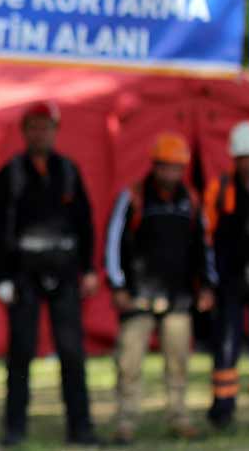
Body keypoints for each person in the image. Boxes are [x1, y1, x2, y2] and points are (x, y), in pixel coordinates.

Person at [0, 101, 99, 447]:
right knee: (20, 352)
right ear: (24, 132)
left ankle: (80, 428)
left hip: (64, 273)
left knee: (72, 353)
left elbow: (85, 222)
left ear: (55, 131)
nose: (40, 133)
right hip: (23, 276)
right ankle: (14, 428)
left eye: (46, 127)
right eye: (34, 127)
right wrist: (1, 277)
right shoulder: (10, 174)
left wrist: (89, 269)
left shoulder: (68, 171)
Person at [105, 131, 216, 443]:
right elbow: (113, 243)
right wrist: (117, 285)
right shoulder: (135, 196)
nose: (171, 173)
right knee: (128, 361)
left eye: (177, 167)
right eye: (166, 166)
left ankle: (179, 416)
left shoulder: (190, 200)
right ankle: (126, 421)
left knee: (178, 360)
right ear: (154, 165)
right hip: (138, 295)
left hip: (178, 296)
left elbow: (202, 246)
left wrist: (207, 286)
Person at [205, 121, 249, 429]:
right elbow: (205, 237)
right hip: (230, 281)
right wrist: (210, 281)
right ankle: (223, 409)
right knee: (226, 344)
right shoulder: (219, 189)